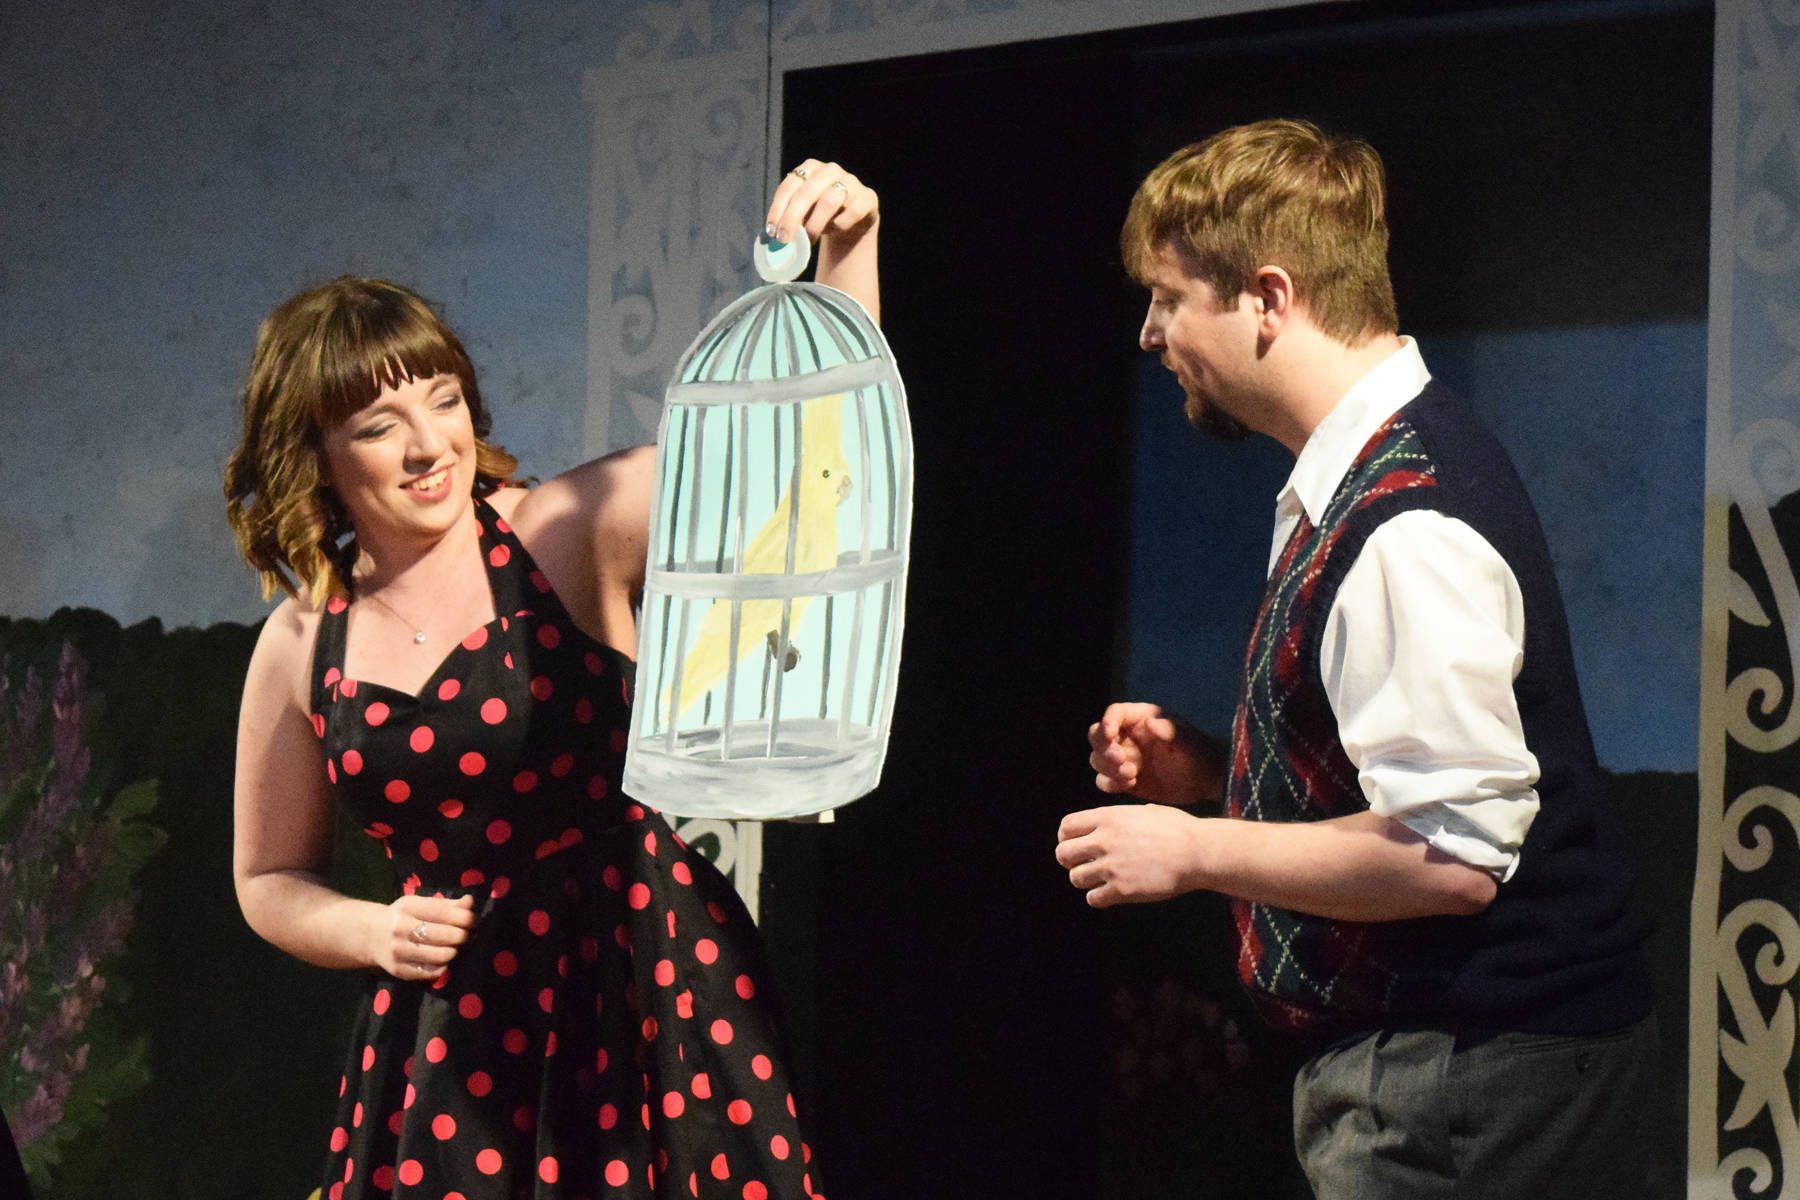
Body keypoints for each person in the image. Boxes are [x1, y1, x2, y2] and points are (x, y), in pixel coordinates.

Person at [225, 159, 876, 1200]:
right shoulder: (303, 640)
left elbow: (812, 467)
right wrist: (373, 930)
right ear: (318, 454)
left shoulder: (561, 532)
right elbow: (267, 881)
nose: (429, 441)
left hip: (639, 995)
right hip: (452, 1040)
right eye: (380, 425)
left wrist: (848, 252)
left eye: (441, 399)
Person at [1053, 119, 1657, 1198]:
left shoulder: (1403, 524)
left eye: (1169, 297)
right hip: (1454, 1066)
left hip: (1470, 1084)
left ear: (1270, 300)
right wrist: (1214, 770)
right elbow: (1395, 768)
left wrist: (1197, 848)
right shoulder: (1363, 477)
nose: (1149, 334)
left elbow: (1452, 856)